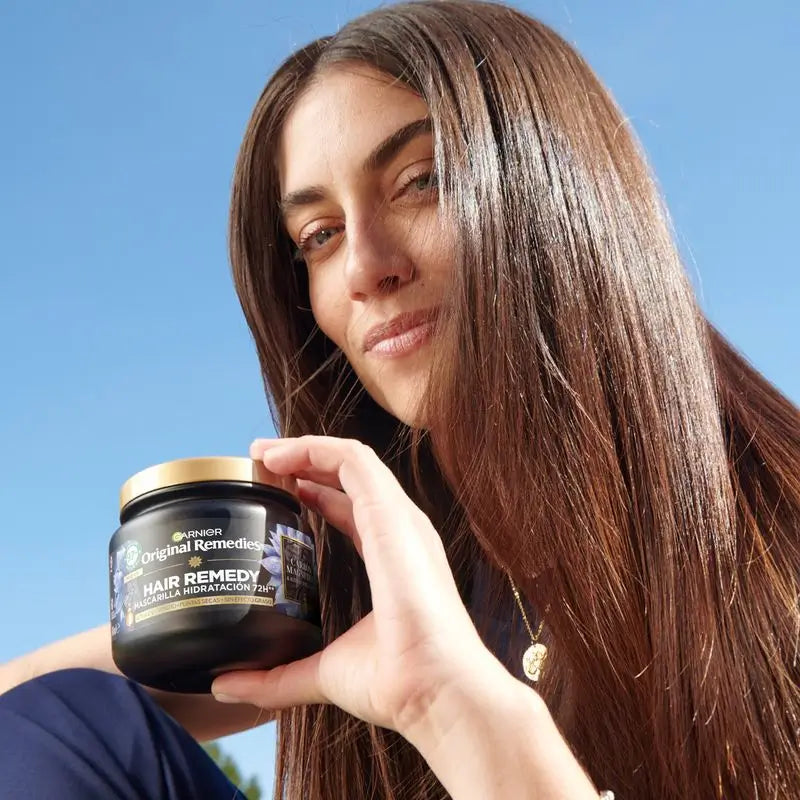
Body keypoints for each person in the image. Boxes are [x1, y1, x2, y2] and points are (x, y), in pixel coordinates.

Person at [1, 1, 798, 797]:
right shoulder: (363, 583)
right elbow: (33, 718)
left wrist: (451, 706)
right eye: (319, 235)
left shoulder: (773, 552)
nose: (363, 268)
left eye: (420, 182)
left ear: (559, 186)